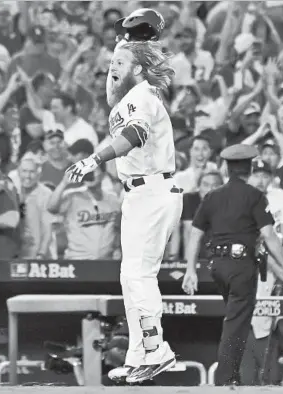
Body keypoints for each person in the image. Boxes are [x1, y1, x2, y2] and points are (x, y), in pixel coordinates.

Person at [65, 39, 182, 384]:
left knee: (139, 276)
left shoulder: (144, 94)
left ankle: (157, 349)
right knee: (129, 277)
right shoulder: (128, 97)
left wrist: (94, 159)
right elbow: (113, 99)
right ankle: (138, 356)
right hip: (138, 193)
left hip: (153, 189)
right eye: (111, 62)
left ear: (137, 69)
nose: (112, 67)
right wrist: (122, 46)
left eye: (120, 62)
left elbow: (135, 133)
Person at [182, 143, 283, 386]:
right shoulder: (254, 195)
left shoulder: (212, 195)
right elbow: (269, 234)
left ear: (227, 168)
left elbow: (195, 234)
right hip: (241, 265)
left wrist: (190, 269)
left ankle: (230, 375)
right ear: (250, 168)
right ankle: (226, 379)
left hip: (216, 266)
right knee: (236, 322)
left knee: (236, 318)